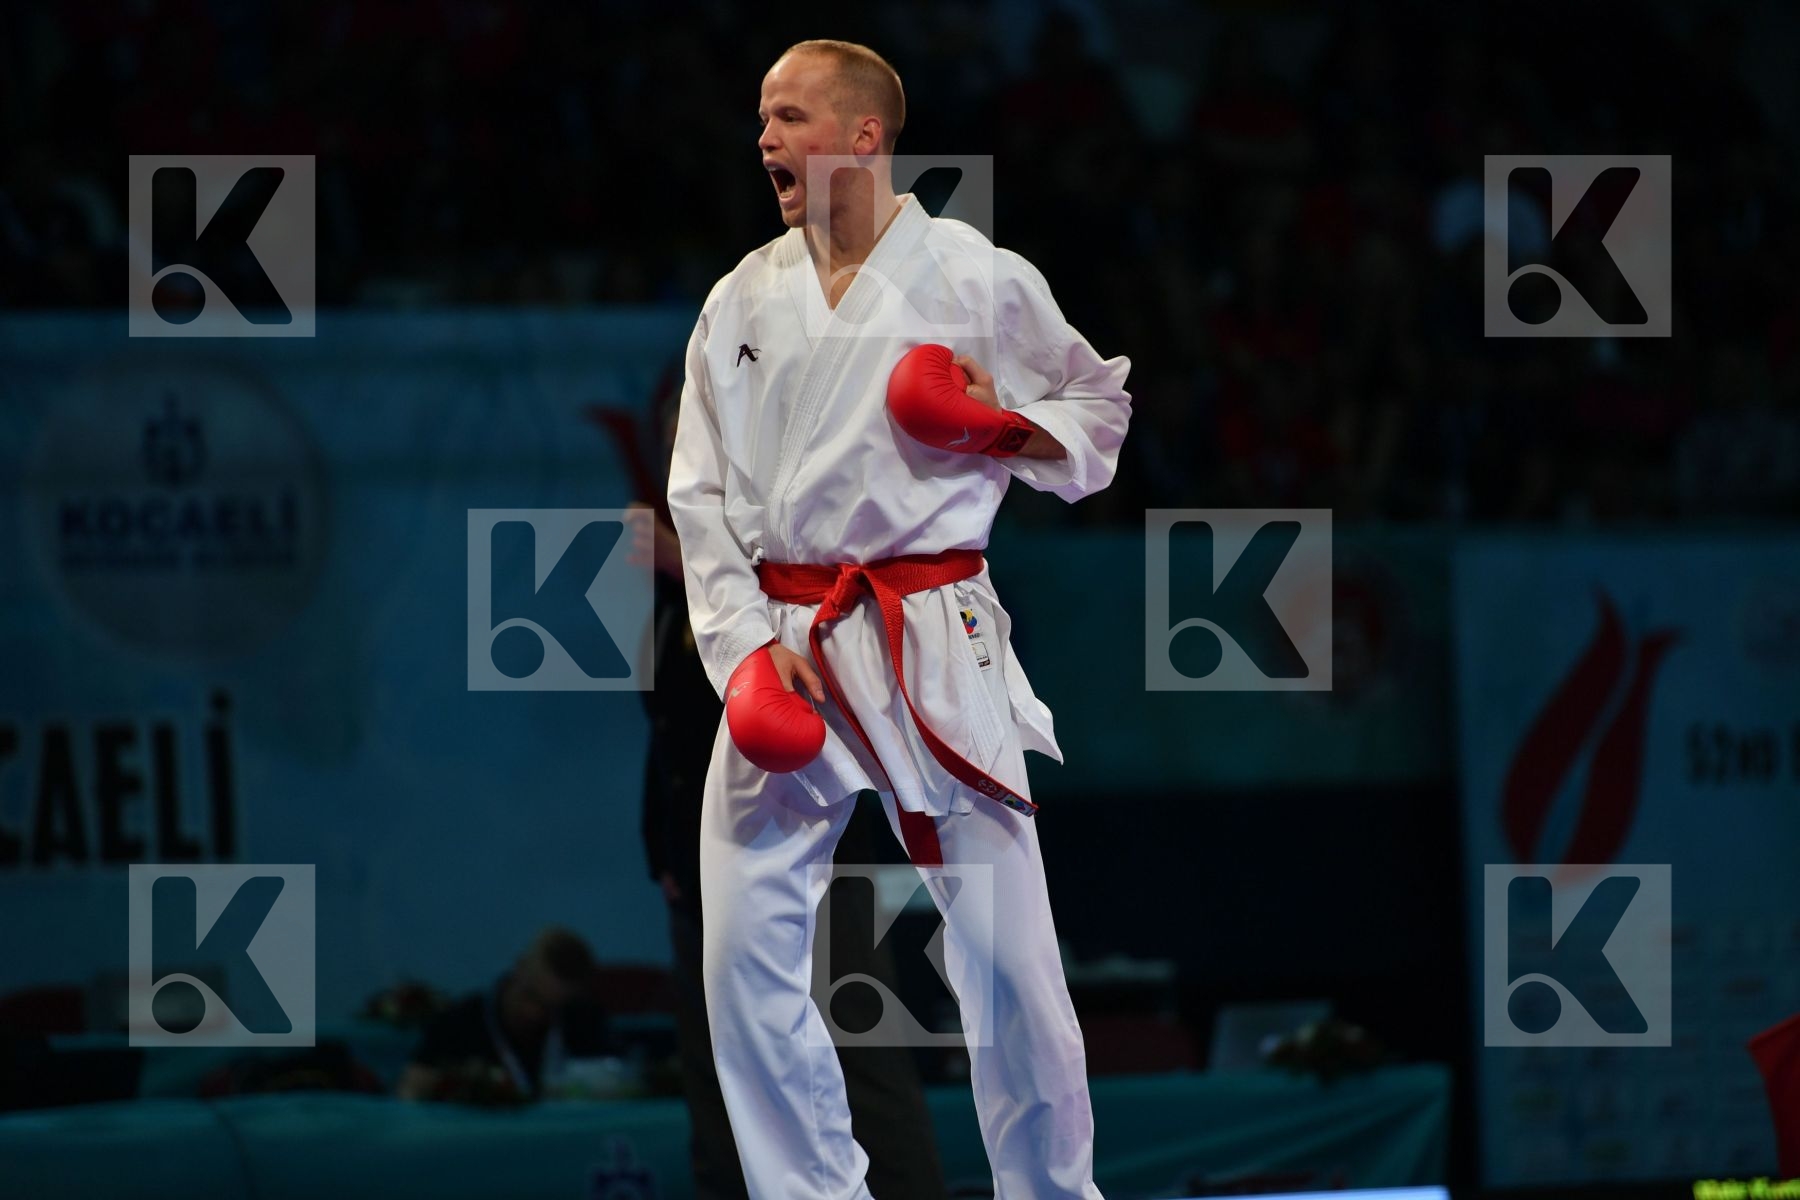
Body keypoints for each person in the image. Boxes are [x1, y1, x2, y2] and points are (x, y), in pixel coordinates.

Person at [666, 38, 1130, 1200]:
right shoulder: (739, 298)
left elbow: (1096, 413)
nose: (762, 139)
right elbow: (700, 495)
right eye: (760, 118)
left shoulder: (975, 277)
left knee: (1009, 964)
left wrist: (996, 430)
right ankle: (814, 1192)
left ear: (864, 134)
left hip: (928, 626)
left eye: (788, 116)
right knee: (740, 957)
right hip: (789, 643)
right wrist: (741, 658)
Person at [633, 386, 949, 1199]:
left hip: (810, 841)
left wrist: (689, 570)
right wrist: (662, 848)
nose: (683, 456)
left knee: (858, 1047)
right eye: (672, 440)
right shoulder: (685, 584)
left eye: (694, 435)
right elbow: (671, 738)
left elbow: (803, 682)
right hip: (702, 858)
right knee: (721, 1060)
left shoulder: (793, 540)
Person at [395, 926, 611, 1102]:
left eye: (550, 1008)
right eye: (530, 996)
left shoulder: (583, 1021)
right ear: (519, 968)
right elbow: (410, 1092)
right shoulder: (459, 1022)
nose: (534, 1014)